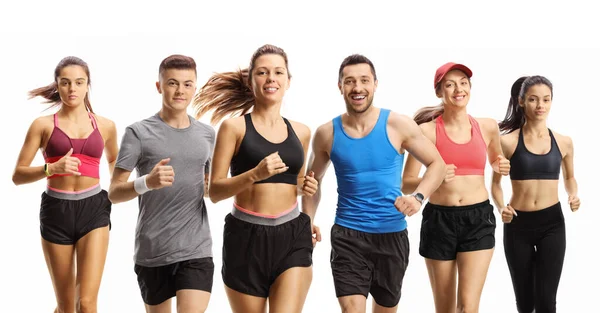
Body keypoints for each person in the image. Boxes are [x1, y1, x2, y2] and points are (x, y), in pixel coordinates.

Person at [302, 54, 446, 313]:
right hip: (348, 235)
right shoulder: (326, 134)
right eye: (350, 81)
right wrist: (307, 218)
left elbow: (438, 165)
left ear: (375, 84)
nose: (357, 88)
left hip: (391, 235)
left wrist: (418, 197)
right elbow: (313, 182)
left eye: (364, 80)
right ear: (340, 87)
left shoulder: (398, 124)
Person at [192, 44, 317, 313]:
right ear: (251, 81)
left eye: (278, 72)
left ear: (288, 81)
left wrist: (303, 186)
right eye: (262, 72)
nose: (271, 78)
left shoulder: (302, 132)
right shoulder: (233, 128)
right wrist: (255, 174)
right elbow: (215, 191)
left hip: (292, 235)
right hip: (245, 237)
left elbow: (291, 184)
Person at [108, 55, 215, 313]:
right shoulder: (138, 132)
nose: (180, 91)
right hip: (152, 250)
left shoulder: (207, 135)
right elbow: (114, 192)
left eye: (187, 84)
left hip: (196, 249)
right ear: (159, 86)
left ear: (195, 87)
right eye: (172, 83)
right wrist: (147, 182)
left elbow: (211, 187)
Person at [402, 62, 511, 313]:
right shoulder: (426, 131)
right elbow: (406, 180)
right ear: (439, 92)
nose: (457, 89)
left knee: (468, 307)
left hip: (478, 219)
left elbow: (495, 159)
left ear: (470, 88)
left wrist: (499, 164)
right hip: (439, 220)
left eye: (463, 83)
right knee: (445, 309)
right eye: (449, 85)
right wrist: (435, 177)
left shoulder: (486, 126)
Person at [12, 56, 118, 313]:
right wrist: (51, 168)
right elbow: (18, 175)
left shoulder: (105, 125)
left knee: (88, 302)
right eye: (66, 82)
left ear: (87, 85)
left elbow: (115, 160)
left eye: (79, 82)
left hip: (94, 208)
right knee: (66, 305)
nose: (72, 89)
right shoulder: (43, 125)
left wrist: (119, 189)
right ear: (57, 85)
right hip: (56, 210)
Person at [491, 75, 580, 313]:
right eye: (533, 99)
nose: (540, 105)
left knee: (546, 301)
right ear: (521, 101)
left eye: (546, 99)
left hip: (552, 224)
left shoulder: (564, 142)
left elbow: (570, 178)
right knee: (525, 301)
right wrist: (501, 208)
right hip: (518, 225)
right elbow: (495, 185)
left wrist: (573, 195)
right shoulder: (507, 142)